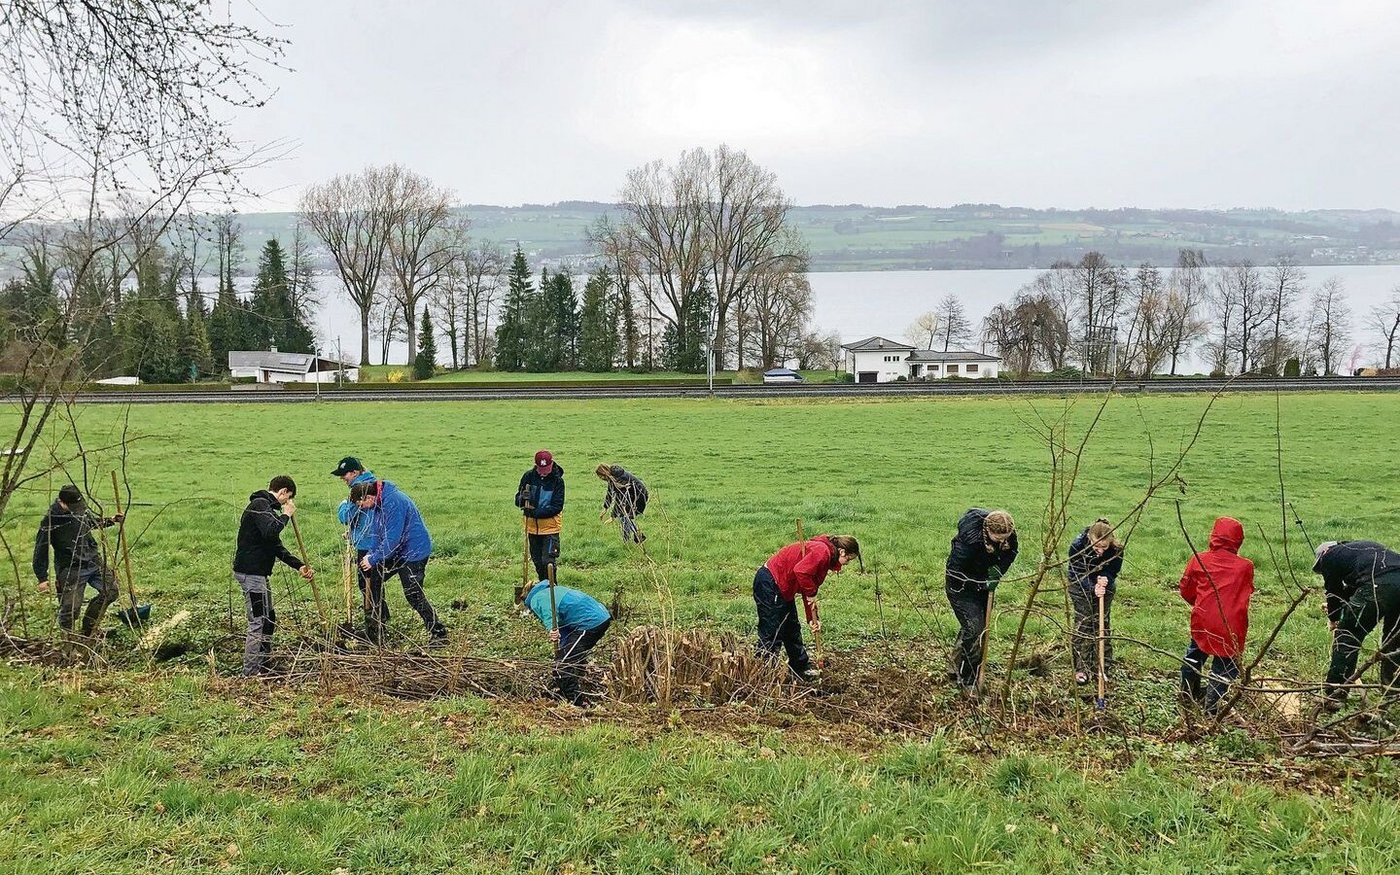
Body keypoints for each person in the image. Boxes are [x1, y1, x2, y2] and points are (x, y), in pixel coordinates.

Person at [349, 479, 447, 646]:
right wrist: (371, 555)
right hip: (397, 551)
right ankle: (376, 630)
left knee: (413, 593)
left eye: (361, 504)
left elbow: (393, 538)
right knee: (370, 578)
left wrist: (373, 558)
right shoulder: (377, 504)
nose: (361, 508)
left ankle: (439, 633)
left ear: (369, 497)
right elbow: (376, 532)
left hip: (413, 552)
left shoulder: (393, 502)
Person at [233, 476, 313, 677]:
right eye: (288, 499)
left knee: (269, 618)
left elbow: (274, 545)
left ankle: (263, 663)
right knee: (258, 621)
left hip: (259, 574)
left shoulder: (266, 509)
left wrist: (299, 566)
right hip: (251, 574)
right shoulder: (260, 505)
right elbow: (271, 531)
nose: (287, 503)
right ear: (283, 492)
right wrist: (286, 515)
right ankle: (250, 673)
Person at [753, 534, 861, 680]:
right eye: (847, 559)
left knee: (791, 628)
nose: (845, 564)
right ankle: (763, 673)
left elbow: (807, 583)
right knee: (772, 630)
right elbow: (802, 572)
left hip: (784, 588)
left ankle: (800, 669)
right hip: (771, 583)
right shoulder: (822, 552)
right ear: (842, 551)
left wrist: (812, 618)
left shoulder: (824, 555)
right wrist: (811, 593)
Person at [1177, 516, 1254, 714]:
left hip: (1203, 617)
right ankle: (1211, 707)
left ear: (1214, 536)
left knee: (1195, 654)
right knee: (1226, 664)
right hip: (1232, 623)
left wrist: (1201, 603)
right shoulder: (1245, 567)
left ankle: (1187, 693)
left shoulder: (1199, 559)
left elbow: (1186, 589)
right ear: (1238, 540)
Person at [1313, 539, 1400, 710]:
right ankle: (1393, 692)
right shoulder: (1360, 550)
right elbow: (1357, 587)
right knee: (1394, 641)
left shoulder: (1330, 556)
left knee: (1348, 634)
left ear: (1323, 554)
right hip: (1392, 579)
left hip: (1379, 584)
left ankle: (1335, 694)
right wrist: (1343, 604)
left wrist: (1334, 618)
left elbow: (1333, 592)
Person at [33, 483, 123, 638]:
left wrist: (111, 520)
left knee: (111, 591)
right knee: (70, 609)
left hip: (93, 560)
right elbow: (41, 548)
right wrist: (42, 577)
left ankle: (90, 629)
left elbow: (88, 523)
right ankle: (70, 642)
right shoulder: (50, 521)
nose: (77, 509)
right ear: (62, 502)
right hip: (71, 568)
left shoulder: (78, 510)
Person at [945, 509, 1018, 691]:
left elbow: (1012, 552)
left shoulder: (1008, 536)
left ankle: (954, 665)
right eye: (998, 539)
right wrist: (978, 583)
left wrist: (998, 571)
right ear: (988, 531)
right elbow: (954, 570)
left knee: (977, 628)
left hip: (986, 586)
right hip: (961, 588)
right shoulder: (969, 541)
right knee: (974, 629)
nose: (1003, 542)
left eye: (1005, 538)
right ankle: (968, 678)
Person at [522, 577, 612, 706]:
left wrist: (551, 630)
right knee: (570, 655)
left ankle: (576, 701)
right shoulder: (553, 590)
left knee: (563, 666)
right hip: (600, 617)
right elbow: (564, 628)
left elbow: (550, 615)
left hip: (588, 623)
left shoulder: (536, 598)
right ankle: (572, 685)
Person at [332, 456, 385, 644]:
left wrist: (342, 505)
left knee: (368, 586)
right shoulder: (371, 483)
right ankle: (379, 623)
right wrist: (353, 532)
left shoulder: (360, 489)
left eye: (344, 474)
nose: (342, 478)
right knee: (373, 585)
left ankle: (375, 628)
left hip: (368, 546)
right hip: (371, 541)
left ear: (355, 472)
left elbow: (346, 516)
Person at [1067, 518, 1125, 685]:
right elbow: (1077, 573)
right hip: (1080, 585)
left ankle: (1102, 667)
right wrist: (1092, 587)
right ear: (1089, 539)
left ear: (1111, 541)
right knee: (1084, 622)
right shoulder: (1078, 546)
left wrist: (1105, 578)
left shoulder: (1117, 549)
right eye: (1096, 546)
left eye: (1103, 547)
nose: (1099, 550)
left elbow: (1113, 569)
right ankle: (1081, 668)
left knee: (1102, 622)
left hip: (1104, 585)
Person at [516, 450, 564, 581]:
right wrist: (522, 499)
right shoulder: (528, 477)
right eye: (541, 468)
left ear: (551, 464)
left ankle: (552, 589)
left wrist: (535, 513)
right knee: (537, 562)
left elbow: (557, 506)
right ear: (536, 465)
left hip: (550, 529)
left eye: (546, 468)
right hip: (531, 528)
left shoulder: (557, 481)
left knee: (548, 562)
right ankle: (543, 587)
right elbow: (517, 501)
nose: (543, 471)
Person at [596, 463, 647, 544]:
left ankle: (630, 540)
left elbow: (620, 499)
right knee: (625, 517)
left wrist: (613, 516)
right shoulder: (613, 477)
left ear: (604, 473)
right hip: (632, 496)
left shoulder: (619, 478)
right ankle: (636, 537)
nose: (601, 478)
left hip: (639, 496)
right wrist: (605, 508)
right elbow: (610, 492)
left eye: (600, 476)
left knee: (624, 516)